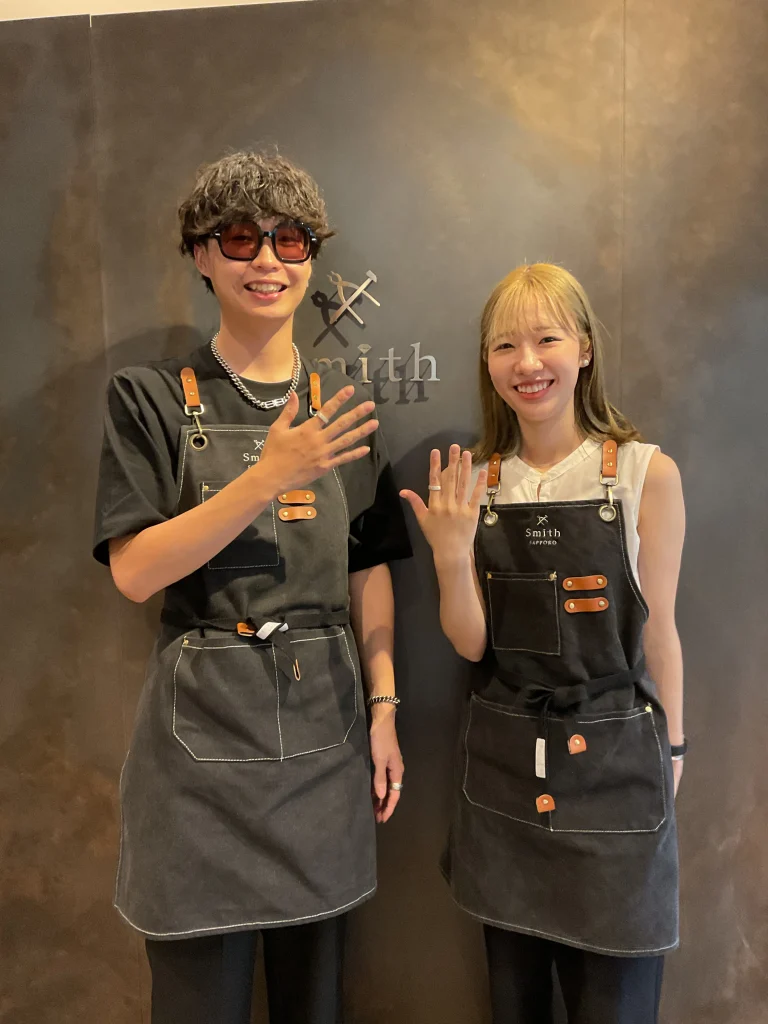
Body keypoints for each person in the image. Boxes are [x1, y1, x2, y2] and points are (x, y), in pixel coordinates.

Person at [93, 151, 411, 1024]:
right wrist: (266, 476)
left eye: (289, 239)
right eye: (240, 237)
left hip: (326, 743)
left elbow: (368, 568)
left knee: (315, 1002)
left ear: (311, 257)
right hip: (197, 761)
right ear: (202, 255)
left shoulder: (345, 402)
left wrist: (385, 707)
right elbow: (135, 571)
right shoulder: (150, 399)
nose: (267, 259)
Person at [401, 263, 685, 1024]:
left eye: (546, 339)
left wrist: (674, 750)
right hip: (508, 770)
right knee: (515, 999)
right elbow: (471, 646)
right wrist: (451, 554)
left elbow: (660, 629)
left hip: (617, 768)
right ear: (488, 364)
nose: (527, 363)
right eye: (505, 346)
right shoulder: (477, 483)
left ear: (584, 348)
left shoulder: (644, 474)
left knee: (617, 1001)